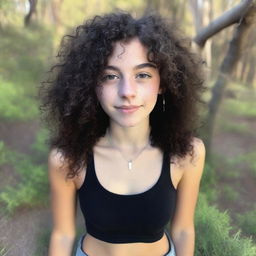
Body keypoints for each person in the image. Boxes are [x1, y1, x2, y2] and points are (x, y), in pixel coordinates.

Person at [40, 11, 206, 256]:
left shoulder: (188, 153)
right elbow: (62, 234)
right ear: (91, 85)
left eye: (142, 75)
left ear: (163, 83)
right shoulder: (67, 159)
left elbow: (183, 230)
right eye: (110, 76)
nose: (127, 91)